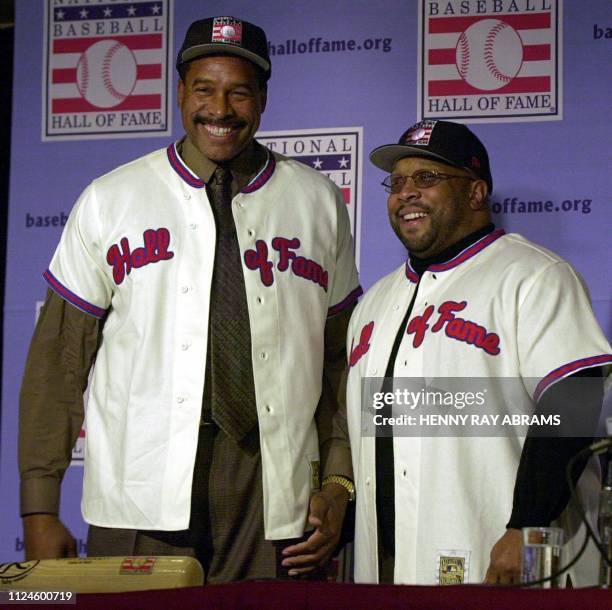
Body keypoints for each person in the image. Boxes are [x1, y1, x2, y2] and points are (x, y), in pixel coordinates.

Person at [19, 16, 361, 582]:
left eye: (238, 92)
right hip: (139, 486)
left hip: (271, 488)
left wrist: (339, 482)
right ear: (180, 93)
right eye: (204, 89)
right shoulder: (111, 199)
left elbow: (341, 359)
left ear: (264, 100)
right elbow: (58, 365)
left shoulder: (317, 200)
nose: (219, 109)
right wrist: (39, 504)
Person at [345, 119, 612, 585]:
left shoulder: (534, 275)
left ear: (475, 193)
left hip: (503, 557)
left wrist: (526, 526)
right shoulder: (374, 301)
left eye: (427, 179)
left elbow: (574, 400)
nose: (406, 192)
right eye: (398, 181)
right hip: (386, 564)